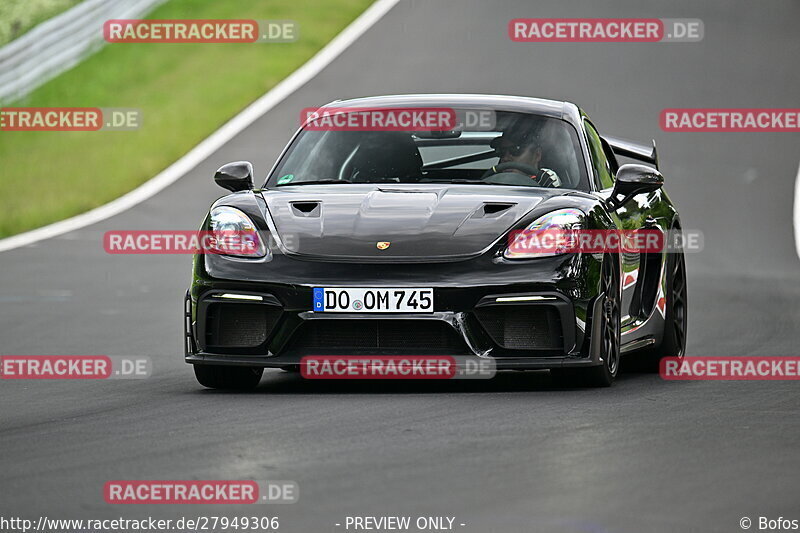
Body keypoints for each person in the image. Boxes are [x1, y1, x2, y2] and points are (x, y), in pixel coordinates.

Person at [485, 121, 562, 187]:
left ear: (537, 155)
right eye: (502, 152)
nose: (506, 158)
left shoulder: (547, 184)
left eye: (515, 150)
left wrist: (551, 187)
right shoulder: (490, 185)